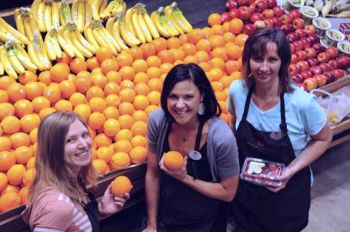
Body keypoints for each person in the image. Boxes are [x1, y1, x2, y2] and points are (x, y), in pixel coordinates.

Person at [228, 27, 332, 232]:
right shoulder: (237, 92)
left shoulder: (302, 103)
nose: (263, 67)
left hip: (287, 195)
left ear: (283, 62)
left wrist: (289, 171)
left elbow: (323, 138)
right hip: (247, 190)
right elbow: (234, 125)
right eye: (257, 59)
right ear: (247, 60)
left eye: (272, 60)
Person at [143, 63, 240, 232]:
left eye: (188, 97)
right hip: (166, 220)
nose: (179, 105)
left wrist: (184, 177)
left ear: (201, 95)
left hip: (206, 224)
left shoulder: (220, 138)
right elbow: (153, 174)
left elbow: (228, 192)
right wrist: (152, 225)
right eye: (173, 97)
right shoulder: (158, 122)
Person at [22, 111, 129, 232]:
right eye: (70, 140)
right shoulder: (56, 206)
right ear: (53, 150)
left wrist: (100, 210)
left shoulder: (73, 180)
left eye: (84, 135)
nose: (84, 144)